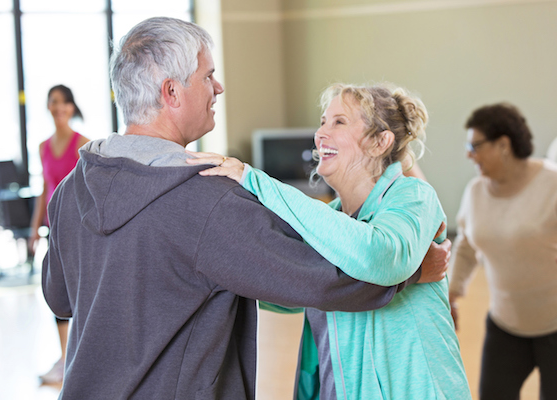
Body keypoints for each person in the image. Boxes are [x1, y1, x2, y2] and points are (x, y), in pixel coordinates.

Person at [41, 17, 449, 399]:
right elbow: (324, 277)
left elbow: (60, 298)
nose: (217, 88)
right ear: (171, 92)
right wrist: (407, 275)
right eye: (208, 76)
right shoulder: (206, 198)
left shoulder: (70, 190)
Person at [188, 83, 470, 399]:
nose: (321, 133)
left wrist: (256, 181)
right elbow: (291, 289)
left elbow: (377, 256)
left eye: (339, 122)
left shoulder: (413, 197)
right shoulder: (330, 220)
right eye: (323, 121)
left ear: (380, 142)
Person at [448, 103, 557, 399]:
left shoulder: (552, 184)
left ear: (504, 144)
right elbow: (467, 246)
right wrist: (452, 292)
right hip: (505, 327)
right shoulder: (475, 192)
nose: (470, 154)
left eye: (476, 146)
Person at [29, 84, 89, 385]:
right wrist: (34, 228)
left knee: (81, 293)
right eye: (54, 102)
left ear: (71, 107)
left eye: (64, 102)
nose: (59, 107)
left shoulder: (84, 145)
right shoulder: (42, 147)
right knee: (57, 292)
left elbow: (91, 190)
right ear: (49, 107)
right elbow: (44, 190)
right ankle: (65, 359)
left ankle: (82, 356)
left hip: (78, 229)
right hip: (54, 230)